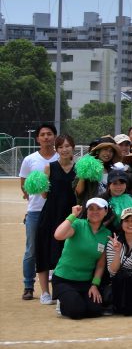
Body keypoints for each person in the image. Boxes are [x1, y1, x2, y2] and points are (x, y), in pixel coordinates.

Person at [34, 132, 76, 306]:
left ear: (73, 147)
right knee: (43, 252)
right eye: (60, 147)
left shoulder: (80, 167)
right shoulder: (49, 167)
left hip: (71, 216)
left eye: (67, 146)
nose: (64, 149)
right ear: (56, 149)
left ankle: (63, 292)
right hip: (50, 215)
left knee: (66, 254)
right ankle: (45, 292)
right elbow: (44, 195)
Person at [51, 198, 111, 319]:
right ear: (86, 211)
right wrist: (73, 216)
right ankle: (62, 303)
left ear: (106, 211)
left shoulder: (106, 234)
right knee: (77, 311)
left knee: (95, 310)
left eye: (99, 209)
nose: (94, 212)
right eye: (91, 209)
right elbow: (58, 235)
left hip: (85, 282)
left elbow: (100, 264)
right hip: (64, 279)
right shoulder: (78, 224)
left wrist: (94, 285)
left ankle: (73, 299)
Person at [20, 123, 59, 301]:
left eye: (49, 134)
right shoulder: (30, 160)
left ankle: (58, 285)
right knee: (32, 250)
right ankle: (29, 285)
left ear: (55, 137)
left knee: (57, 248)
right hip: (36, 211)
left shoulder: (61, 157)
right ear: (37, 139)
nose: (46, 137)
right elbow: (24, 185)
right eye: (42, 135)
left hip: (57, 211)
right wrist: (34, 199)